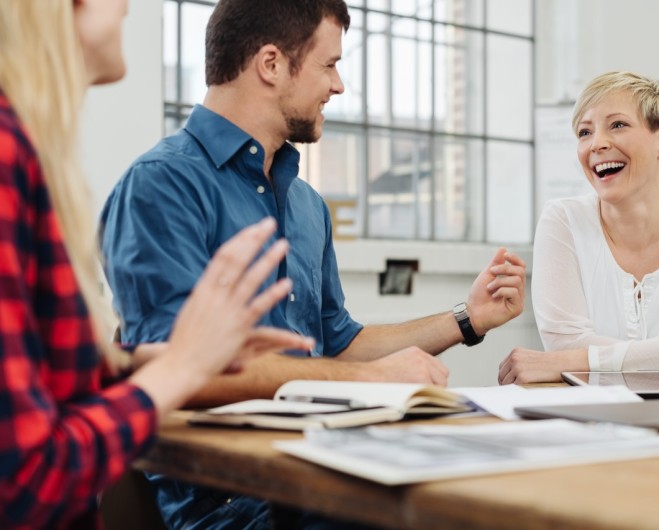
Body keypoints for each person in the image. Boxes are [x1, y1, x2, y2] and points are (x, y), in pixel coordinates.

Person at [99, 0, 526, 528]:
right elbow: (172, 368)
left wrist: (467, 320)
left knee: (496, 491)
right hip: (232, 499)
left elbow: (337, 344)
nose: (339, 85)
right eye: (329, 65)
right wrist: (368, 380)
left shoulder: (306, 205)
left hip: (324, 463)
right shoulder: (162, 186)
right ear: (272, 64)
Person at [0, 1, 315, 529]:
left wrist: (157, 357)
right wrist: (183, 367)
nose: (126, 6)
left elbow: (40, 377)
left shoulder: (27, 152)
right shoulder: (11, 155)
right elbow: (25, 478)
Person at [499, 71, 659, 385]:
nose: (597, 144)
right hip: (592, 422)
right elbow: (563, 346)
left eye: (617, 125)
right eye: (584, 132)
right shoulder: (562, 221)